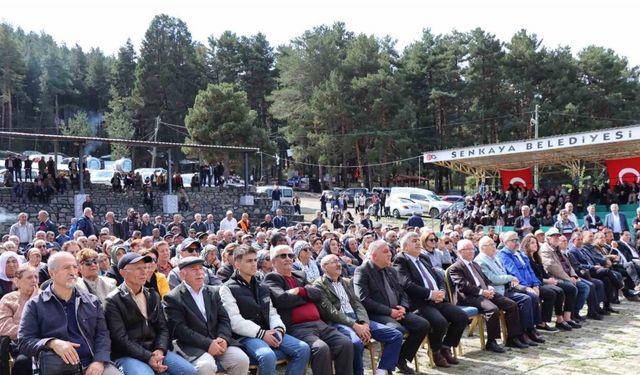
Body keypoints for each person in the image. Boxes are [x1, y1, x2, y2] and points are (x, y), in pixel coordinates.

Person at [18, 252, 121, 375]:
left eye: (74, 267)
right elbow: (24, 341)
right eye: (66, 268)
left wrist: (99, 360)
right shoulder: (35, 305)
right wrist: (52, 343)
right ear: (52, 273)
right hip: (56, 367)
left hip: (92, 363)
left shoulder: (92, 301)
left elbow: (102, 334)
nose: (73, 272)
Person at [263, 244, 354, 375]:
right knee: (321, 348)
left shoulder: (300, 275)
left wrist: (299, 290)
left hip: (320, 324)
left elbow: (318, 294)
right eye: (283, 256)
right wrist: (307, 295)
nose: (288, 258)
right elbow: (282, 299)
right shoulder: (272, 278)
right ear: (273, 261)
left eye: (290, 255)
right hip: (298, 328)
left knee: (345, 343)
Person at [219, 246, 310, 375]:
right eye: (249, 261)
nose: (254, 264)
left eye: (255, 260)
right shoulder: (227, 288)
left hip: (268, 331)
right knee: (267, 355)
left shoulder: (262, 286)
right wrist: (262, 334)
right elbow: (235, 321)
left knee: (303, 348)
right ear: (237, 264)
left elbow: (272, 312)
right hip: (245, 336)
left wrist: (278, 329)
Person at [104, 253, 197, 375]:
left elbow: (163, 327)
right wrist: (148, 357)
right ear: (123, 272)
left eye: (145, 267)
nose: (144, 272)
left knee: (189, 372)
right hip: (127, 354)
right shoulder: (113, 300)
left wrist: (160, 349)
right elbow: (120, 339)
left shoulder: (152, 295)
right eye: (138, 268)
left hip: (155, 349)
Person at [316, 254, 403, 375]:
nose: (338, 264)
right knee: (356, 343)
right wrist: (355, 326)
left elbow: (358, 304)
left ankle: (382, 370)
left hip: (358, 320)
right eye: (334, 262)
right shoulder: (318, 285)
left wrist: (364, 323)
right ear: (324, 267)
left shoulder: (346, 282)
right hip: (339, 322)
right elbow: (331, 312)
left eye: (339, 260)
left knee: (395, 335)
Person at [163, 256, 250, 375]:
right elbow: (180, 330)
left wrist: (223, 338)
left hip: (217, 340)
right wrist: (208, 344)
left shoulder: (213, 292)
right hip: (191, 345)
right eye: (194, 270)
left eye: (201, 268)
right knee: (206, 366)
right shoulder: (173, 297)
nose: (199, 273)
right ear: (182, 274)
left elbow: (224, 319)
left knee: (241, 359)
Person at [353, 240, 430, 374]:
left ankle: (400, 358)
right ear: (374, 255)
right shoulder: (362, 271)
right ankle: (384, 368)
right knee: (397, 330)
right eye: (385, 251)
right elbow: (364, 300)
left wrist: (403, 308)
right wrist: (390, 312)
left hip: (397, 311)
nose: (390, 254)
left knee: (422, 324)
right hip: (377, 314)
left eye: (389, 251)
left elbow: (403, 293)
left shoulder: (390, 270)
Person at [393, 232, 468, 367]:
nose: (417, 243)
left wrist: (441, 292)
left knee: (461, 317)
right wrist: (430, 294)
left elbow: (438, 278)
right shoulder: (401, 260)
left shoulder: (423, 258)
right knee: (440, 322)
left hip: (437, 299)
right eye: (414, 241)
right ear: (405, 246)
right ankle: (435, 351)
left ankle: (445, 347)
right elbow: (407, 284)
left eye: (418, 240)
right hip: (420, 302)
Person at [448, 239, 523, 353]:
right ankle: (491, 342)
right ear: (459, 252)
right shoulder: (456, 267)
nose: (471, 251)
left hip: (483, 293)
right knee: (493, 309)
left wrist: (489, 287)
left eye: (472, 249)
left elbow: (484, 280)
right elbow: (464, 286)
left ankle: (512, 337)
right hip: (468, 297)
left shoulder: (475, 264)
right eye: (467, 249)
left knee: (511, 304)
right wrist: (482, 292)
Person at [475, 235, 543, 346]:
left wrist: (510, 279)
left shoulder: (494, 257)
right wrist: (510, 278)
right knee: (524, 299)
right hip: (497, 291)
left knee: (531, 295)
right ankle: (520, 334)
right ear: (482, 247)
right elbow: (493, 279)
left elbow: (504, 272)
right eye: (491, 245)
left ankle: (529, 329)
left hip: (507, 287)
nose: (494, 247)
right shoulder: (480, 261)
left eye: (494, 244)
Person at [521, 234, 576, 330]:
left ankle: (564, 318)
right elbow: (532, 277)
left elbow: (543, 272)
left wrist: (551, 279)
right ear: (526, 245)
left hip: (544, 281)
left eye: (536, 243)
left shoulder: (536, 257)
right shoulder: (525, 258)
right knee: (554, 292)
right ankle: (543, 322)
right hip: (536, 283)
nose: (536, 245)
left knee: (570, 288)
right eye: (532, 243)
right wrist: (547, 281)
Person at [539, 228, 593, 324]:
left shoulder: (557, 248)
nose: (556, 238)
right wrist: (568, 278)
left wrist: (574, 276)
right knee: (571, 288)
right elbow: (553, 268)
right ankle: (566, 317)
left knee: (585, 287)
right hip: (555, 277)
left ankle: (573, 313)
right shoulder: (545, 250)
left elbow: (568, 264)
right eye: (553, 236)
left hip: (567, 276)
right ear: (548, 238)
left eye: (558, 236)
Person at [0, 264, 39, 375]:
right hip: (20, 345)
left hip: (45, 342)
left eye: (36, 277)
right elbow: (5, 328)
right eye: (29, 277)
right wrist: (30, 303)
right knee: (23, 362)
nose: (34, 280)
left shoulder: (45, 297)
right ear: (17, 281)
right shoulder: (8, 299)